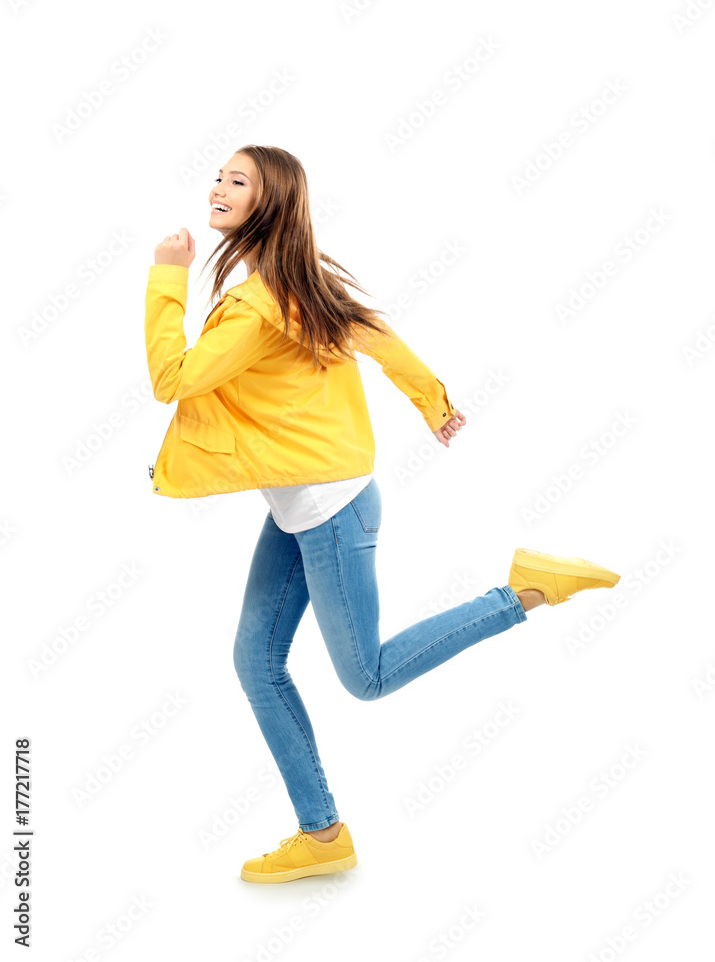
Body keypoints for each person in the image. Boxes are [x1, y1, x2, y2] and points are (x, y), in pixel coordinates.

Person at [144, 144, 621, 885]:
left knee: (364, 677)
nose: (216, 187)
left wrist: (167, 276)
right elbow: (377, 339)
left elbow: (173, 379)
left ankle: (523, 591)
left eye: (236, 181)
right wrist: (430, 399)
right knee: (255, 660)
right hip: (308, 507)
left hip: (330, 514)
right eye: (217, 175)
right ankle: (323, 833)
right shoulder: (294, 279)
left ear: (268, 202)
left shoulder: (258, 299)